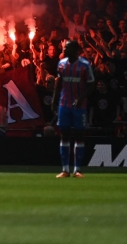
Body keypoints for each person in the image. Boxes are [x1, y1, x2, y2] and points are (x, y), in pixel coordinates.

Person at [52, 40, 94, 178]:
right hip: (64, 104)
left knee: (79, 136)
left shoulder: (85, 66)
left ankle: (77, 170)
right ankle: (65, 169)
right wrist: (54, 100)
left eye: (67, 48)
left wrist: (81, 98)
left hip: (79, 106)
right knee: (64, 134)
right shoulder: (61, 64)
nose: (64, 49)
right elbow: (59, 84)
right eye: (64, 47)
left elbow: (91, 86)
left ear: (76, 50)